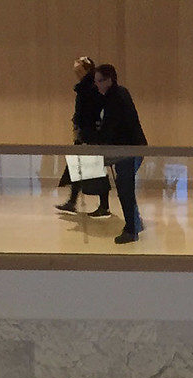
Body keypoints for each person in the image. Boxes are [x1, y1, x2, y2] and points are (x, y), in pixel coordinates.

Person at [85, 63, 147, 244]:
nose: (96, 85)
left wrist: (95, 138)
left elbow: (111, 127)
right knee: (124, 187)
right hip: (128, 149)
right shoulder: (116, 95)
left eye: (99, 81)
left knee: (125, 189)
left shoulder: (116, 98)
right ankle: (134, 223)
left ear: (109, 80)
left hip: (129, 150)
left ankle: (131, 229)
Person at [55, 55, 108, 216]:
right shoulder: (87, 87)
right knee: (77, 166)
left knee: (95, 169)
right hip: (86, 132)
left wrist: (83, 128)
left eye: (78, 69)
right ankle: (73, 201)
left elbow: (89, 112)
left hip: (90, 134)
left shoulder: (90, 88)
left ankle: (103, 205)